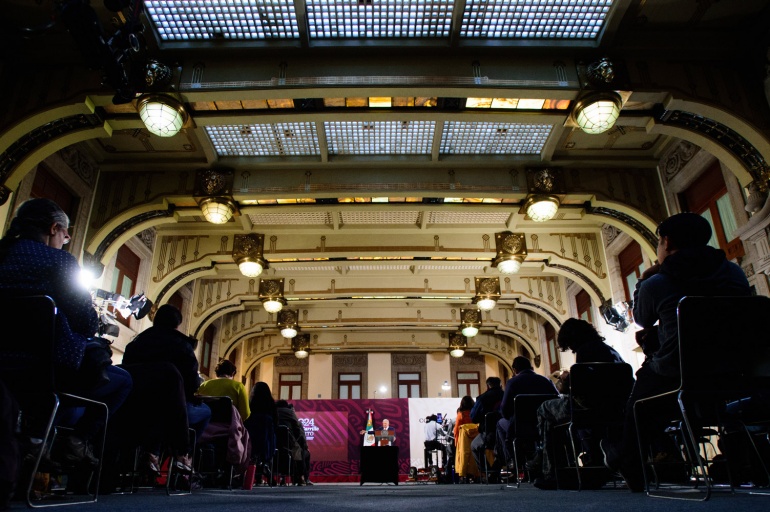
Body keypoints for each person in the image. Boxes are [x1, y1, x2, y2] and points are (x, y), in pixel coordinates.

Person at [600, 212, 750, 492]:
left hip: (680, 371)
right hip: (736, 372)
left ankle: (630, 460)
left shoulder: (658, 282)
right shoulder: (734, 272)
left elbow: (643, 318)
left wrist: (644, 278)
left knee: (640, 400)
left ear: (666, 242)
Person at [0, 198, 132, 468]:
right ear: (53, 229)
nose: (68, 237)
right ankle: (67, 441)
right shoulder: (59, 261)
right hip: (45, 368)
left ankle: (36, 439)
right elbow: (85, 321)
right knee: (120, 380)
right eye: (65, 231)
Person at [530, 318, 628, 490]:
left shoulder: (586, 350)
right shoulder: (610, 350)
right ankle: (592, 461)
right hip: (618, 407)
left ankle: (551, 470)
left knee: (544, 409)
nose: (572, 349)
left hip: (592, 408)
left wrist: (566, 382)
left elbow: (582, 390)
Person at [122, 303, 211, 473]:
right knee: (204, 412)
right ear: (177, 325)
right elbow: (192, 384)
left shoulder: (136, 343)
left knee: (158, 408)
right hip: (171, 409)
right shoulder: (182, 346)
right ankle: (182, 455)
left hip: (133, 406)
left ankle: (154, 454)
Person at [495, 356, 558, 472]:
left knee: (500, 423)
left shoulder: (512, 382)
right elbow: (556, 399)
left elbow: (504, 409)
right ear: (531, 367)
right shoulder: (545, 380)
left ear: (514, 370)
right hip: (545, 424)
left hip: (520, 425)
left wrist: (510, 417)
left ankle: (513, 460)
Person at [470, 377, 504, 479]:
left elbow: (474, 418)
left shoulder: (483, 398)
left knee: (474, 446)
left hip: (489, 433)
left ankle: (488, 471)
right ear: (500, 384)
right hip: (506, 432)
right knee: (504, 447)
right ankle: (495, 470)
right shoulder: (506, 395)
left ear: (488, 386)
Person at [243, 382, 277, 486]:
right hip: (267, 440)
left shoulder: (250, 403)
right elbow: (276, 422)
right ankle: (265, 466)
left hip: (251, 438)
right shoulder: (271, 404)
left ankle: (252, 473)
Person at [275, 400, 310, 485]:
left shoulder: (272, 412)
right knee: (298, 451)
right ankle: (300, 477)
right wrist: (298, 440)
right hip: (288, 442)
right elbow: (297, 428)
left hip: (274, 443)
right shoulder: (290, 412)